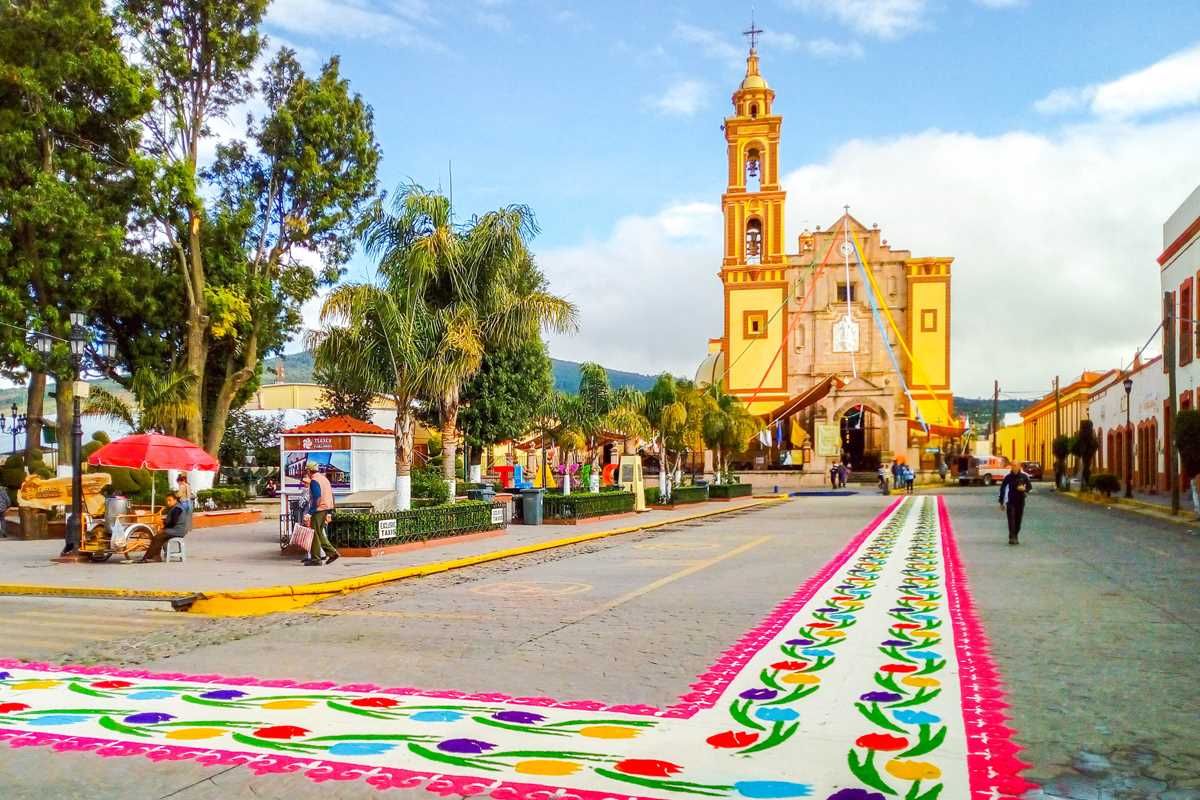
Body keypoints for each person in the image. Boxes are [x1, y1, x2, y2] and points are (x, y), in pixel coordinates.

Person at [303, 462, 339, 566]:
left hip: (318, 510)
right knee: (319, 533)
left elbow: (317, 498)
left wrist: (310, 513)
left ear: (309, 470)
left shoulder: (314, 480)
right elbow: (331, 495)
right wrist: (330, 512)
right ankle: (332, 553)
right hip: (326, 508)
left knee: (314, 533)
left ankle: (316, 559)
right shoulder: (324, 479)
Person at [141, 492, 188, 562]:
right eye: (167, 501)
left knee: (158, 537)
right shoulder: (175, 508)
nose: (168, 502)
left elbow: (173, 523)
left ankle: (148, 557)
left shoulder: (177, 509)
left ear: (175, 500)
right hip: (175, 529)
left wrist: (163, 529)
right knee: (158, 537)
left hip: (177, 530)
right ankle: (155, 557)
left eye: (170, 500)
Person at [999, 462, 1033, 545]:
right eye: (1012, 465)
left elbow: (1030, 487)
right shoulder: (1008, 477)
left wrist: (1024, 489)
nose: (1013, 467)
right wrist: (1001, 502)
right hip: (1010, 501)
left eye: (1015, 465)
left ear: (1019, 466)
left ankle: (1015, 535)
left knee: (1018, 520)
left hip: (1020, 501)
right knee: (1011, 520)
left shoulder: (1024, 476)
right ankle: (1012, 537)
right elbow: (1002, 489)